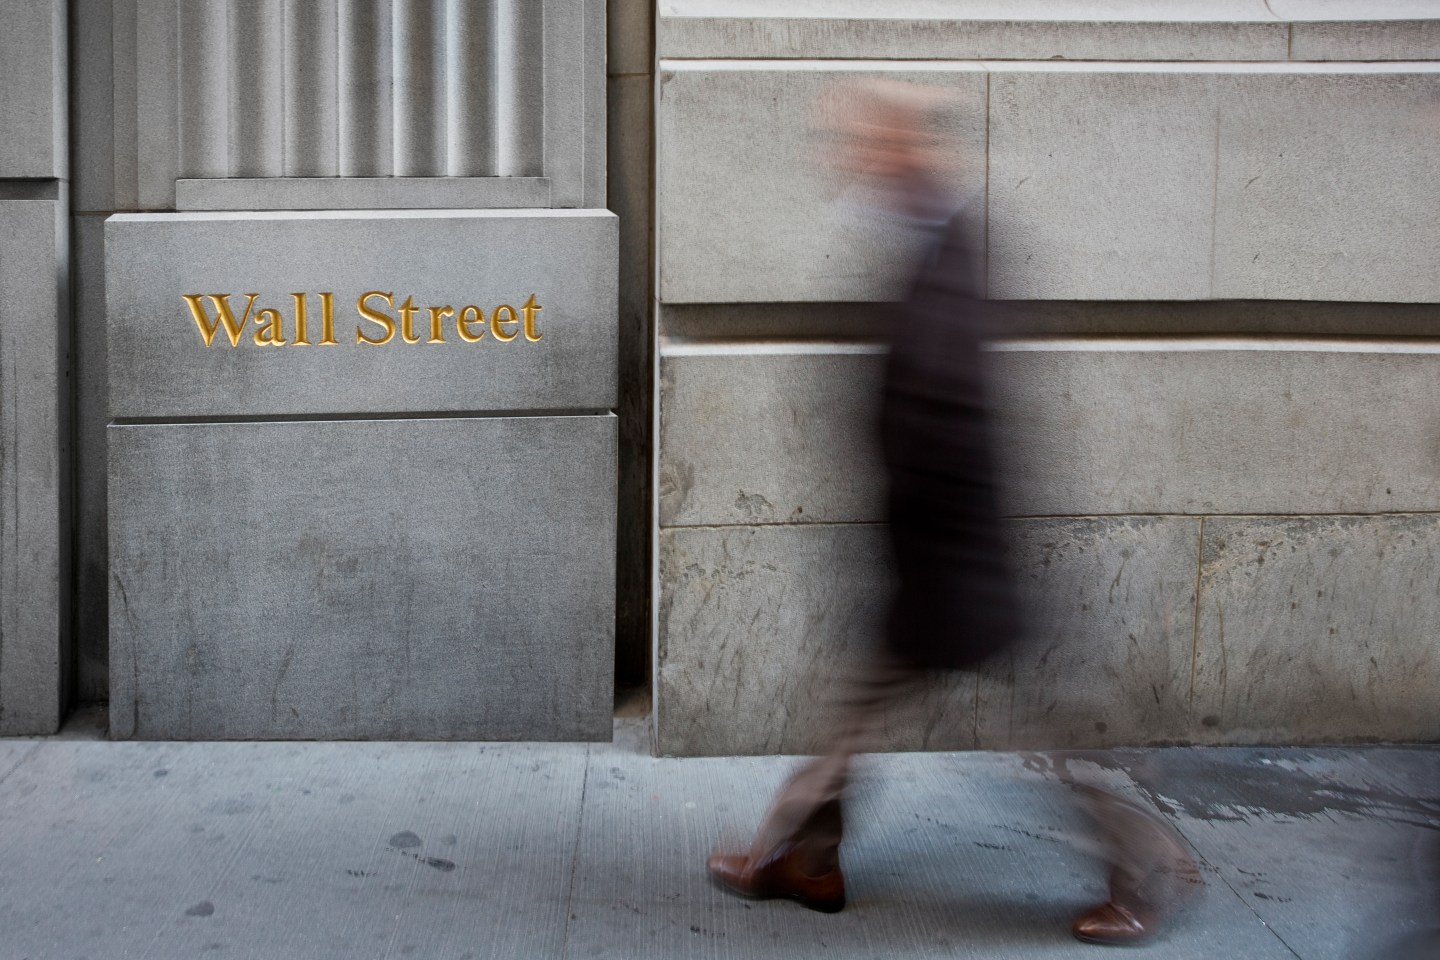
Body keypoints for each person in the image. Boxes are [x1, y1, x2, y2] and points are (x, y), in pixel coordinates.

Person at [706, 79, 1202, 946]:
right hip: (933, 549)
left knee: (1044, 727)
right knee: (861, 709)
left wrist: (932, 538)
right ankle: (800, 855)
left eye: (858, 143)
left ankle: (1150, 862)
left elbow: (947, 405)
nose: (845, 160)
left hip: (954, 551)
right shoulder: (927, 236)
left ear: (902, 148)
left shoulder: (948, 242)